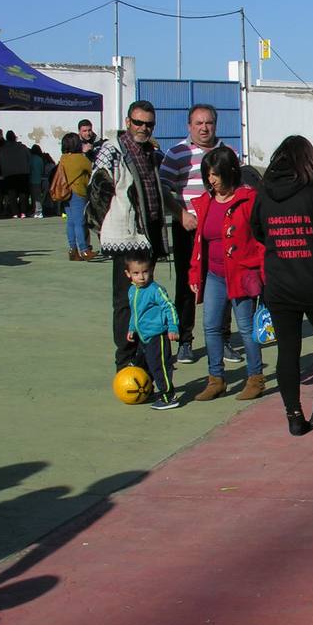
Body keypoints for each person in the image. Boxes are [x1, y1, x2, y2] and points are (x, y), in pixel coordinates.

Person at [250, 136, 313, 436]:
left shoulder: (264, 193)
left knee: (287, 351)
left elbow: (257, 230)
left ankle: (294, 414)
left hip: (280, 283)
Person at [89, 100, 178, 372]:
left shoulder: (150, 151)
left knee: (147, 295)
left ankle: (145, 354)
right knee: (126, 300)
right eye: (138, 122)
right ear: (128, 122)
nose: (143, 128)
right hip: (125, 237)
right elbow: (98, 190)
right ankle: (126, 360)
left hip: (147, 234)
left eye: (148, 124)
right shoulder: (112, 150)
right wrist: (110, 226)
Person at [159, 104, 241, 366]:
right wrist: (181, 215)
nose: (204, 128)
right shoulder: (177, 154)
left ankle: (224, 340)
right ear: (189, 126)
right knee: (186, 284)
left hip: (222, 233)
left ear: (216, 125)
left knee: (225, 282)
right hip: (189, 229)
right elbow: (163, 188)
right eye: (198, 123)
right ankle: (185, 341)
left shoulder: (228, 154)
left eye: (209, 123)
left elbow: (238, 188)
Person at [188, 146, 266, 402]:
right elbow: (201, 242)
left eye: (216, 175)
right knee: (210, 327)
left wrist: (259, 269)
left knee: (245, 327)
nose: (211, 181)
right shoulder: (207, 202)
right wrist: (194, 273)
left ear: (230, 172)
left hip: (241, 274)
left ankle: (255, 378)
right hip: (213, 275)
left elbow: (260, 239)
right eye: (208, 175)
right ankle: (216, 379)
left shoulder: (248, 199)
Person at [124, 251, 180, 411]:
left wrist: (173, 327)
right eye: (136, 273)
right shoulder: (132, 290)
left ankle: (169, 397)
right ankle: (147, 390)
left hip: (158, 335)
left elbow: (169, 307)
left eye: (145, 272)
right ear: (128, 274)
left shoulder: (156, 290)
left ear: (151, 271)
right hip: (143, 337)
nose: (141, 277)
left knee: (159, 366)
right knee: (143, 365)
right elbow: (135, 312)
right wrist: (131, 327)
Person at [58, 133, 93, 261]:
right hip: (78, 191)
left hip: (65, 192)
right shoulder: (80, 158)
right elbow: (92, 169)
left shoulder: (63, 158)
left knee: (71, 222)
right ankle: (84, 250)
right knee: (80, 222)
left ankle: (73, 249)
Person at [0, 130, 32, 218]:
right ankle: (23, 212)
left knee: (12, 195)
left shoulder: (3, 149)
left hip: (9, 174)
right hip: (22, 173)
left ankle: (15, 212)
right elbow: (29, 158)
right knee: (23, 194)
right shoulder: (22, 147)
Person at [29, 144, 46, 218]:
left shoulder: (31, 158)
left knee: (35, 197)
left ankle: (38, 211)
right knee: (37, 196)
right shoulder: (40, 159)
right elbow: (42, 169)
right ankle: (36, 211)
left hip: (32, 179)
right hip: (38, 179)